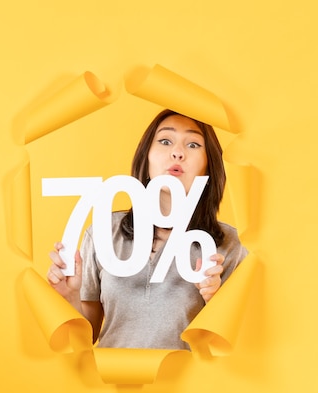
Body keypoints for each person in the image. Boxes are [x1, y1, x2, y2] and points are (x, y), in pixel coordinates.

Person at [47, 109, 248, 350]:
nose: (177, 152)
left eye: (193, 144)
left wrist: (214, 300)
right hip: (111, 382)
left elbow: (236, 348)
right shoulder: (104, 230)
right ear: (147, 156)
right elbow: (86, 337)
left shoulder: (229, 245)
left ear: (208, 165)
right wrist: (70, 295)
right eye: (165, 141)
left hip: (190, 385)